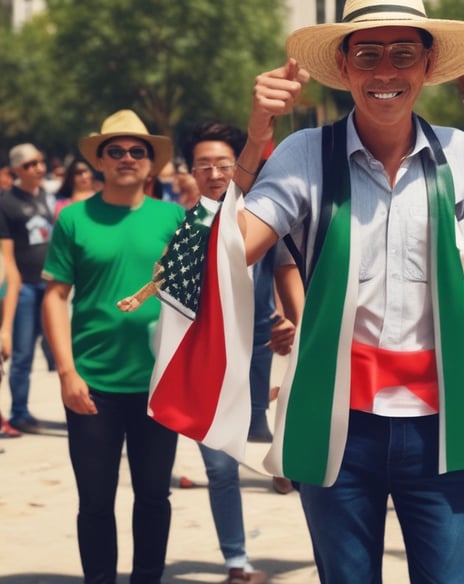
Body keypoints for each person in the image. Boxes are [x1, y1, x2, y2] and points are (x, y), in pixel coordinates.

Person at [240, 1, 464, 581]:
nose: (385, 73)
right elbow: (230, 252)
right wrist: (254, 142)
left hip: (444, 424)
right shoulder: (303, 155)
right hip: (337, 422)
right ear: (344, 67)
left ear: (428, 62)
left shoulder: (460, 156)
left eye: (402, 53)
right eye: (367, 54)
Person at [41, 110, 186, 584]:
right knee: (96, 502)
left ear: (151, 164)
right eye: (116, 151)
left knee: (153, 497)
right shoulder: (74, 219)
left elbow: (194, 297)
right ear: (100, 161)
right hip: (92, 385)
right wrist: (66, 372)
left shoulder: (174, 218)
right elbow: (56, 296)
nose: (127, 158)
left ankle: (148, 577)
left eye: (137, 151)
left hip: (157, 386)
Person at [177, 113, 303, 583]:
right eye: (203, 164)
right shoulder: (181, 226)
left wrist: (295, 320)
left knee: (284, 446)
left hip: (259, 354)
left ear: (240, 166)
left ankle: (286, 469)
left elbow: (286, 268)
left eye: (223, 164)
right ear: (190, 171)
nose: (213, 173)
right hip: (207, 363)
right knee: (220, 465)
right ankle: (237, 560)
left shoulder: (263, 217)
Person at [0, 143, 55, 433]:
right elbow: (6, 255)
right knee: (22, 354)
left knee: (60, 347)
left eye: (40, 162)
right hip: (23, 288)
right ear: (17, 170)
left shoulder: (46, 196)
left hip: (49, 285)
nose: (38, 169)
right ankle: (19, 411)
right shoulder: (6, 203)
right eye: (30, 165)